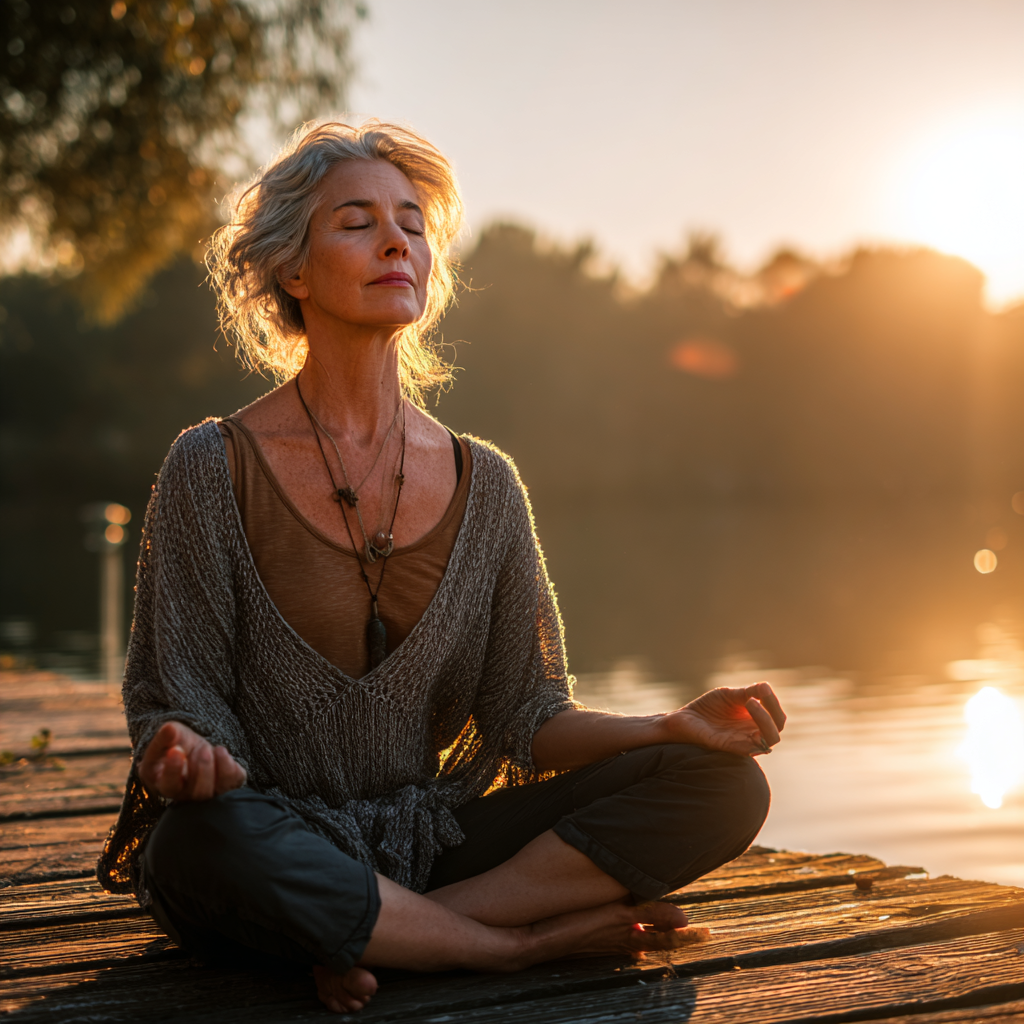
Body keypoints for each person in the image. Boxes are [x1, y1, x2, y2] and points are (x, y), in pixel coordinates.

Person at [97, 120, 786, 1015]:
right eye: (356, 221)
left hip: (433, 837)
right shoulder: (211, 466)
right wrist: (183, 758)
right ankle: (504, 947)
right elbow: (177, 706)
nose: (396, 240)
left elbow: (530, 717)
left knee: (724, 787)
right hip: (268, 838)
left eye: (413, 224)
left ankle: (391, 933)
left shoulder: (485, 482)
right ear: (293, 271)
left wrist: (666, 727)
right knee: (195, 843)